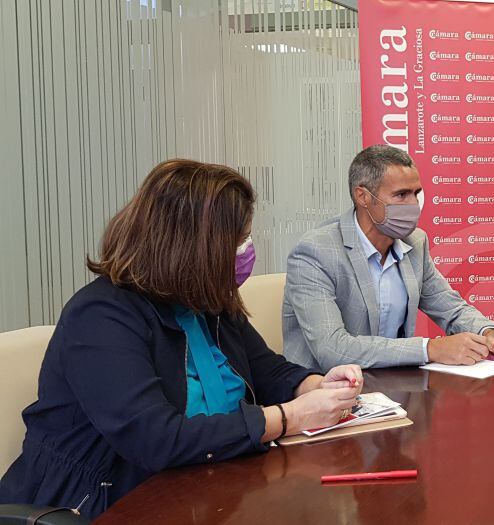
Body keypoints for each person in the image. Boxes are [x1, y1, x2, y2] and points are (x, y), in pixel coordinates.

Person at [0, 160, 364, 519]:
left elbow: (266, 370)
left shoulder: (206, 300)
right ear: (192, 245)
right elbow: (155, 439)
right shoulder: (100, 316)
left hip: (209, 485)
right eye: (237, 241)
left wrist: (315, 385)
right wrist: (286, 418)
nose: (246, 251)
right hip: (105, 502)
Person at [283, 145, 494, 370]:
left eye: (416, 194)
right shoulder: (315, 252)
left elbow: (451, 308)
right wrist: (430, 349)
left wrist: (488, 332)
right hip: (324, 392)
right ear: (363, 196)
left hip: (391, 385)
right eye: (401, 195)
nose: (414, 204)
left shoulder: (415, 242)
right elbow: (332, 349)